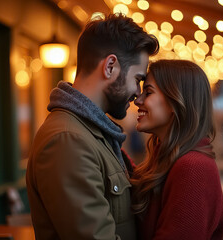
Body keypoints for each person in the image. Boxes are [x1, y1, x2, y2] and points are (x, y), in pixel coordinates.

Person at [26, 14, 159, 240]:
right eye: (137, 79)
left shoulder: (90, 133)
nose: (138, 93)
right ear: (110, 67)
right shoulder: (68, 140)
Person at [130, 60, 223, 239]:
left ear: (176, 101)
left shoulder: (193, 167)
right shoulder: (166, 156)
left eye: (148, 92)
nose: (138, 100)